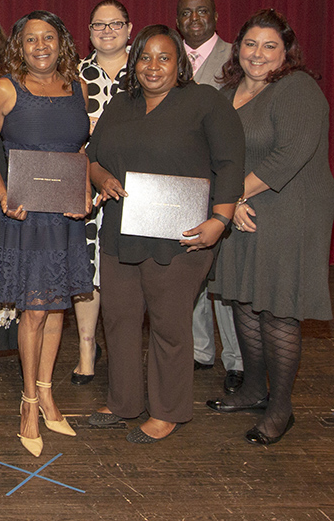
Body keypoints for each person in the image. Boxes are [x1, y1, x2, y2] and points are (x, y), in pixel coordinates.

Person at [86, 24, 245, 443]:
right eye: (145, 57)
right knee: (118, 319)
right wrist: (100, 177)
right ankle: (124, 402)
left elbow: (230, 163)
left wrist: (220, 220)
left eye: (164, 57)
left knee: (169, 325)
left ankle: (167, 410)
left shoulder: (205, 102)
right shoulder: (121, 105)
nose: (153, 66)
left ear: (181, 64)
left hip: (180, 237)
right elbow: (91, 156)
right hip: (122, 231)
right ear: (134, 62)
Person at [207, 9, 333, 445]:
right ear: (237, 47)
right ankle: (254, 389)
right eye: (250, 44)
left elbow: (290, 154)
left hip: (287, 210)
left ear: (286, 53)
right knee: (244, 297)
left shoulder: (298, 89)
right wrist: (231, 201)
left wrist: (234, 196)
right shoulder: (225, 94)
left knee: (278, 307)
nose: (257, 54)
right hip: (241, 212)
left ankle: (281, 408)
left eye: (270, 46)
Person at [0, 11, 92, 457]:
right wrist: (5, 193)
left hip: (66, 217)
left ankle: (47, 393)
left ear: (61, 42)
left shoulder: (77, 88)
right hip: (26, 215)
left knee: (58, 306)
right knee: (32, 312)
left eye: (49, 37)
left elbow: (81, 150)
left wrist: (84, 193)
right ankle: (28, 403)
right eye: (32, 40)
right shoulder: (6, 88)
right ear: (19, 46)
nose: (41, 46)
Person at [176, 0, 242, 393]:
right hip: (183, 180)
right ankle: (201, 351)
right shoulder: (167, 57)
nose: (194, 19)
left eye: (202, 11)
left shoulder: (239, 56)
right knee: (191, 269)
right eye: (186, 13)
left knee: (223, 282)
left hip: (224, 181)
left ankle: (234, 360)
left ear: (216, 15)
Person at [71, 0, 133, 386]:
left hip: (134, 186)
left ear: (130, 28)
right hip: (86, 186)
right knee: (86, 270)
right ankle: (86, 349)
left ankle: (122, 349)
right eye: (98, 25)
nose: (107, 31)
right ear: (89, 31)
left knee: (124, 272)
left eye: (115, 24)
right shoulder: (74, 73)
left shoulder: (146, 69)